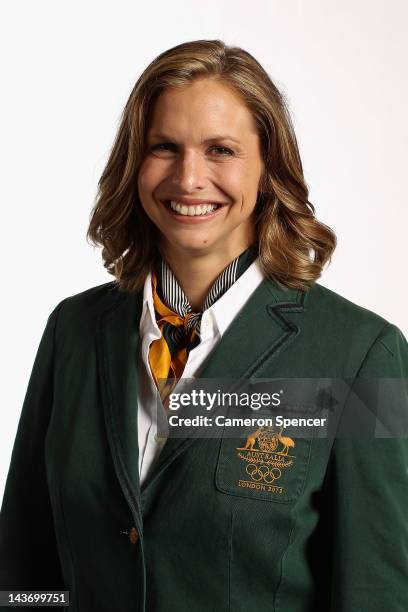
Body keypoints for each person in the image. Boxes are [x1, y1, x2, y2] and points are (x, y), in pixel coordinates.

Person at [0, 39, 407, 612]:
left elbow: (379, 594)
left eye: (221, 150)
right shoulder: (72, 330)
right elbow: (23, 566)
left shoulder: (363, 354)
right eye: (164, 147)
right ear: (134, 165)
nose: (189, 178)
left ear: (268, 170)